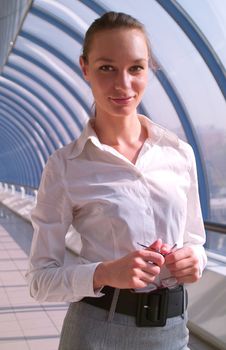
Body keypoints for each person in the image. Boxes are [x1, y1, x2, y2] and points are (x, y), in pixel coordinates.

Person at [26, 11, 207, 350]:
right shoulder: (66, 166)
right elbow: (40, 280)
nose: (123, 84)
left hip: (172, 333)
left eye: (136, 68)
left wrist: (195, 259)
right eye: (107, 67)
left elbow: (195, 240)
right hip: (98, 334)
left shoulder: (178, 154)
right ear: (85, 68)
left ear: (147, 69)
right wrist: (105, 273)